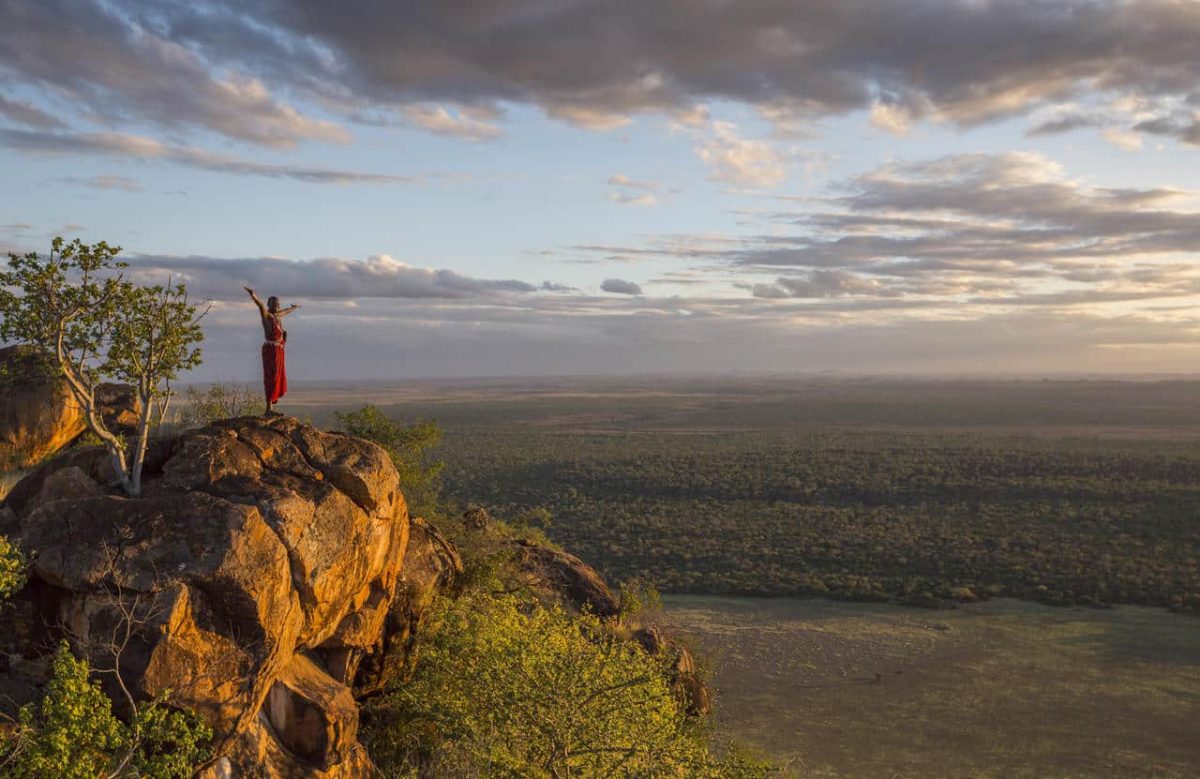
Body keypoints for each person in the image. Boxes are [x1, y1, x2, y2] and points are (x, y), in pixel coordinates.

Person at [244, 287, 299, 415]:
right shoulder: (267, 316)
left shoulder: (277, 316)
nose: (277, 306)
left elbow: (285, 312)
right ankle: (269, 409)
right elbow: (260, 305)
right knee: (271, 378)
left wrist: (293, 308)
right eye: (274, 304)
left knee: (277, 377)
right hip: (271, 350)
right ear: (269, 305)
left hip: (279, 350)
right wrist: (253, 295)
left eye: (278, 304)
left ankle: (270, 408)